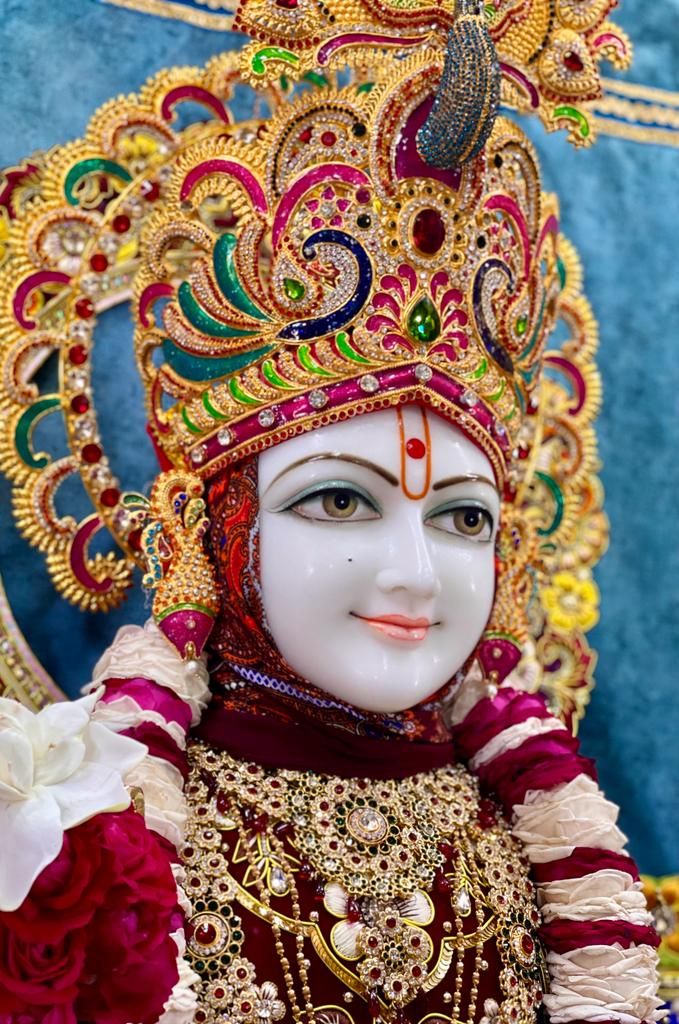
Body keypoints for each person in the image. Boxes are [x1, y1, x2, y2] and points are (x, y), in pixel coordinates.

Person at [0, 4, 662, 1022]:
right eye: (341, 499)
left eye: (463, 518)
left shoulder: (542, 843)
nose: (415, 572)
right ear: (221, 533)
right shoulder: (108, 847)